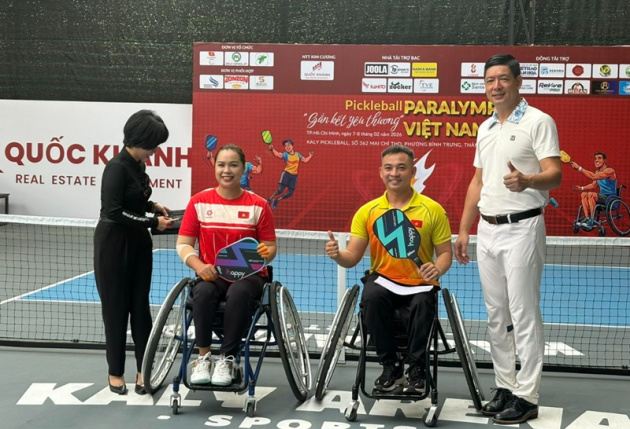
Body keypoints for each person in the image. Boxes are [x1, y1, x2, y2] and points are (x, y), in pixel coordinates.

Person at [454, 54, 562, 425]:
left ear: (517, 82)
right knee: (496, 314)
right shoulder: (485, 128)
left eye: (502, 79)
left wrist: (528, 180)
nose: (496, 86)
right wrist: (464, 229)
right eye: (490, 80)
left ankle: (527, 396)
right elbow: (477, 182)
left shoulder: (539, 121)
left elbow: (555, 174)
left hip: (523, 228)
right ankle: (504, 385)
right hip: (486, 231)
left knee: (523, 313)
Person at [325, 144, 452, 394]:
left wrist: (437, 269)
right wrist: (338, 255)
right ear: (381, 172)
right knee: (371, 297)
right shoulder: (368, 211)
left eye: (401, 168)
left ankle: (416, 368)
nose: (394, 173)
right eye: (389, 168)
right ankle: (390, 366)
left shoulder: (432, 209)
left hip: (420, 284)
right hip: (383, 280)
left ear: (412, 172)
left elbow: (445, 253)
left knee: (423, 305)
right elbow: (352, 257)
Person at [176, 144, 277, 386]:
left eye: (233, 165)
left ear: (243, 169)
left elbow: (270, 247)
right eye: (221, 164)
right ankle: (203, 358)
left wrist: (266, 252)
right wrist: (199, 266)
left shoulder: (259, 205)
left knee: (239, 291)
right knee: (201, 291)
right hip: (213, 273)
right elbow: (183, 244)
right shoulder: (199, 202)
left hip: (249, 275)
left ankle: (227, 359)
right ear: (215, 167)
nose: (226, 170)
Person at [94, 109, 175, 395]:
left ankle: (144, 370)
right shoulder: (115, 167)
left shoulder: (139, 166)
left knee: (140, 308)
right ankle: (115, 372)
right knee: (115, 310)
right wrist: (153, 222)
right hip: (113, 246)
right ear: (139, 140)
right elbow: (113, 211)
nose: (155, 151)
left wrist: (153, 207)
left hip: (139, 244)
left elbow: (135, 200)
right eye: (153, 145)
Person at [569, 152, 617, 228]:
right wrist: (581, 188)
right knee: (583, 194)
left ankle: (592, 219)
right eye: (595, 158)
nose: (596, 160)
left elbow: (593, 177)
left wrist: (579, 168)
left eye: (599, 158)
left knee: (591, 194)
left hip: (610, 199)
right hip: (601, 197)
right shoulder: (597, 172)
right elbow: (593, 185)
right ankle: (587, 218)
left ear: (604, 160)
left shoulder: (610, 171)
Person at [267, 139, 314, 210]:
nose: (287, 147)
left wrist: (310, 156)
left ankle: (276, 200)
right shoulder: (286, 155)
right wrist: (272, 149)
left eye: (289, 145)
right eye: (285, 146)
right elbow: (277, 154)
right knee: (280, 190)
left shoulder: (297, 154)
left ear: (292, 146)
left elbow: (305, 160)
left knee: (290, 193)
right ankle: (269, 200)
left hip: (294, 176)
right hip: (286, 174)